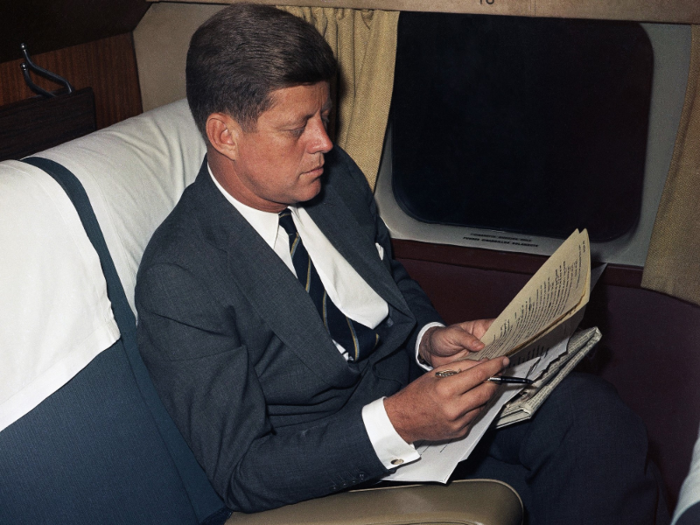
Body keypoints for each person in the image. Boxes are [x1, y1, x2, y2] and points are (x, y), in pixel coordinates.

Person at [135, 4, 668, 523]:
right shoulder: (180, 278)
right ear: (225, 134)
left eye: (325, 114)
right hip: (342, 455)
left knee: (598, 422)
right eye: (297, 126)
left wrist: (427, 339)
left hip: (417, 385)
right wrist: (400, 422)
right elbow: (243, 474)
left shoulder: (334, 182)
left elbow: (387, 280)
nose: (325, 141)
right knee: (551, 487)